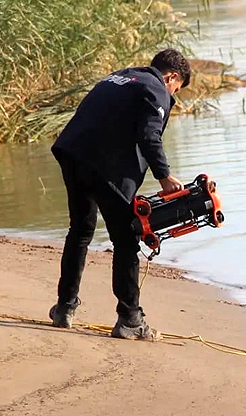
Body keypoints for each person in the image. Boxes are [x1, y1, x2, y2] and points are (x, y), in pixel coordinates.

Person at [49, 48, 191, 341]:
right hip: (103, 164)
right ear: (172, 76)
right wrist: (164, 176)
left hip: (72, 152)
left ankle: (64, 308)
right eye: (176, 88)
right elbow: (149, 135)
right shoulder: (156, 89)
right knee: (126, 240)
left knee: (80, 230)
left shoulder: (120, 77)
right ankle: (129, 319)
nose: (173, 93)